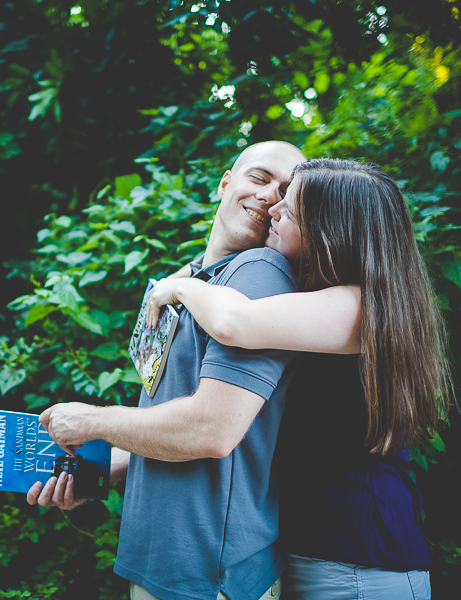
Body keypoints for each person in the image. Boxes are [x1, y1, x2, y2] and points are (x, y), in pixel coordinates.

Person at [146, 158, 451, 599]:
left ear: (329, 234)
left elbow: (233, 321)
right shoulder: (323, 300)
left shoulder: (360, 307)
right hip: (320, 557)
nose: (272, 209)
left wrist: (181, 286)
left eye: (288, 211)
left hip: (357, 564)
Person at [28, 140, 308, 600]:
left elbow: (211, 430)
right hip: (163, 564)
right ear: (226, 182)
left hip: (206, 573)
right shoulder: (191, 283)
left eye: (284, 193)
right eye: (259, 178)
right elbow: (170, 427)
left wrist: (93, 421)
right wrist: (97, 471)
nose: (269, 196)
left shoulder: (260, 271)